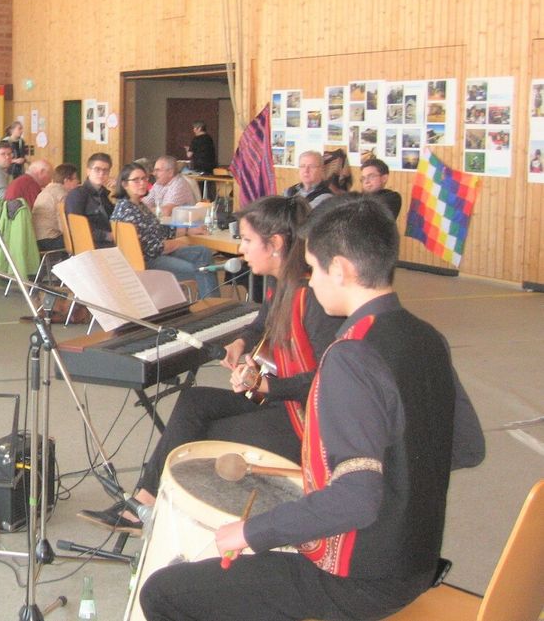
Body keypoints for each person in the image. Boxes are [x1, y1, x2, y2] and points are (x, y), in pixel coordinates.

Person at [140, 196, 485, 621]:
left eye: (315, 268)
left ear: (339, 269)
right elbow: (468, 447)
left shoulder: (352, 355)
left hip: (360, 581)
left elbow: (357, 501)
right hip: (418, 562)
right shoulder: (427, 337)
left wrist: (250, 532)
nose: (311, 281)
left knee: (164, 593)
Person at [80, 195, 340, 534]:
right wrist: (240, 343)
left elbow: (329, 381)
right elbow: (260, 324)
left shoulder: (314, 296)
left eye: (246, 240)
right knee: (193, 402)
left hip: (306, 422)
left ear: (275, 244)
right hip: (281, 402)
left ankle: (188, 522)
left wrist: (266, 386)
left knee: (207, 435)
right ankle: (144, 502)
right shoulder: (281, 283)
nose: (241, 249)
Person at [109, 163, 217, 299]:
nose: (142, 183)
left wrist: (188, 231)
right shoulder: (127, 211)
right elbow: (154, 248)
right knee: (201, 270)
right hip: (147, 262)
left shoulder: (138, 205)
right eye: (136, 180)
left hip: (155, 254)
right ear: (124, 184)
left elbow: (160, 231)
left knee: (203, 252)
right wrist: (179, 243)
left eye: (144, 179)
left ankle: (210, 300)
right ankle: (211, 306)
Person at [64, 152, 115, 247]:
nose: (101, 174)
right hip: (90, 246)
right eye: (97, 169)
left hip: (108, 244)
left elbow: (116, 218)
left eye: (105, 170)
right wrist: (107, 236)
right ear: (88, 171)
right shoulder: (77, 194)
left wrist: (119, 190)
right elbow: (77, 227)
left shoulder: (104, 194)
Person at [32, 163, 79, 251]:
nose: (78, 182)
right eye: (76, 178)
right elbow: (64, 227)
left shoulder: (47, 190)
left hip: (37, 240)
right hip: (50, 240)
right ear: (66, 180)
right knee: (84, 239)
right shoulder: (62, 195)